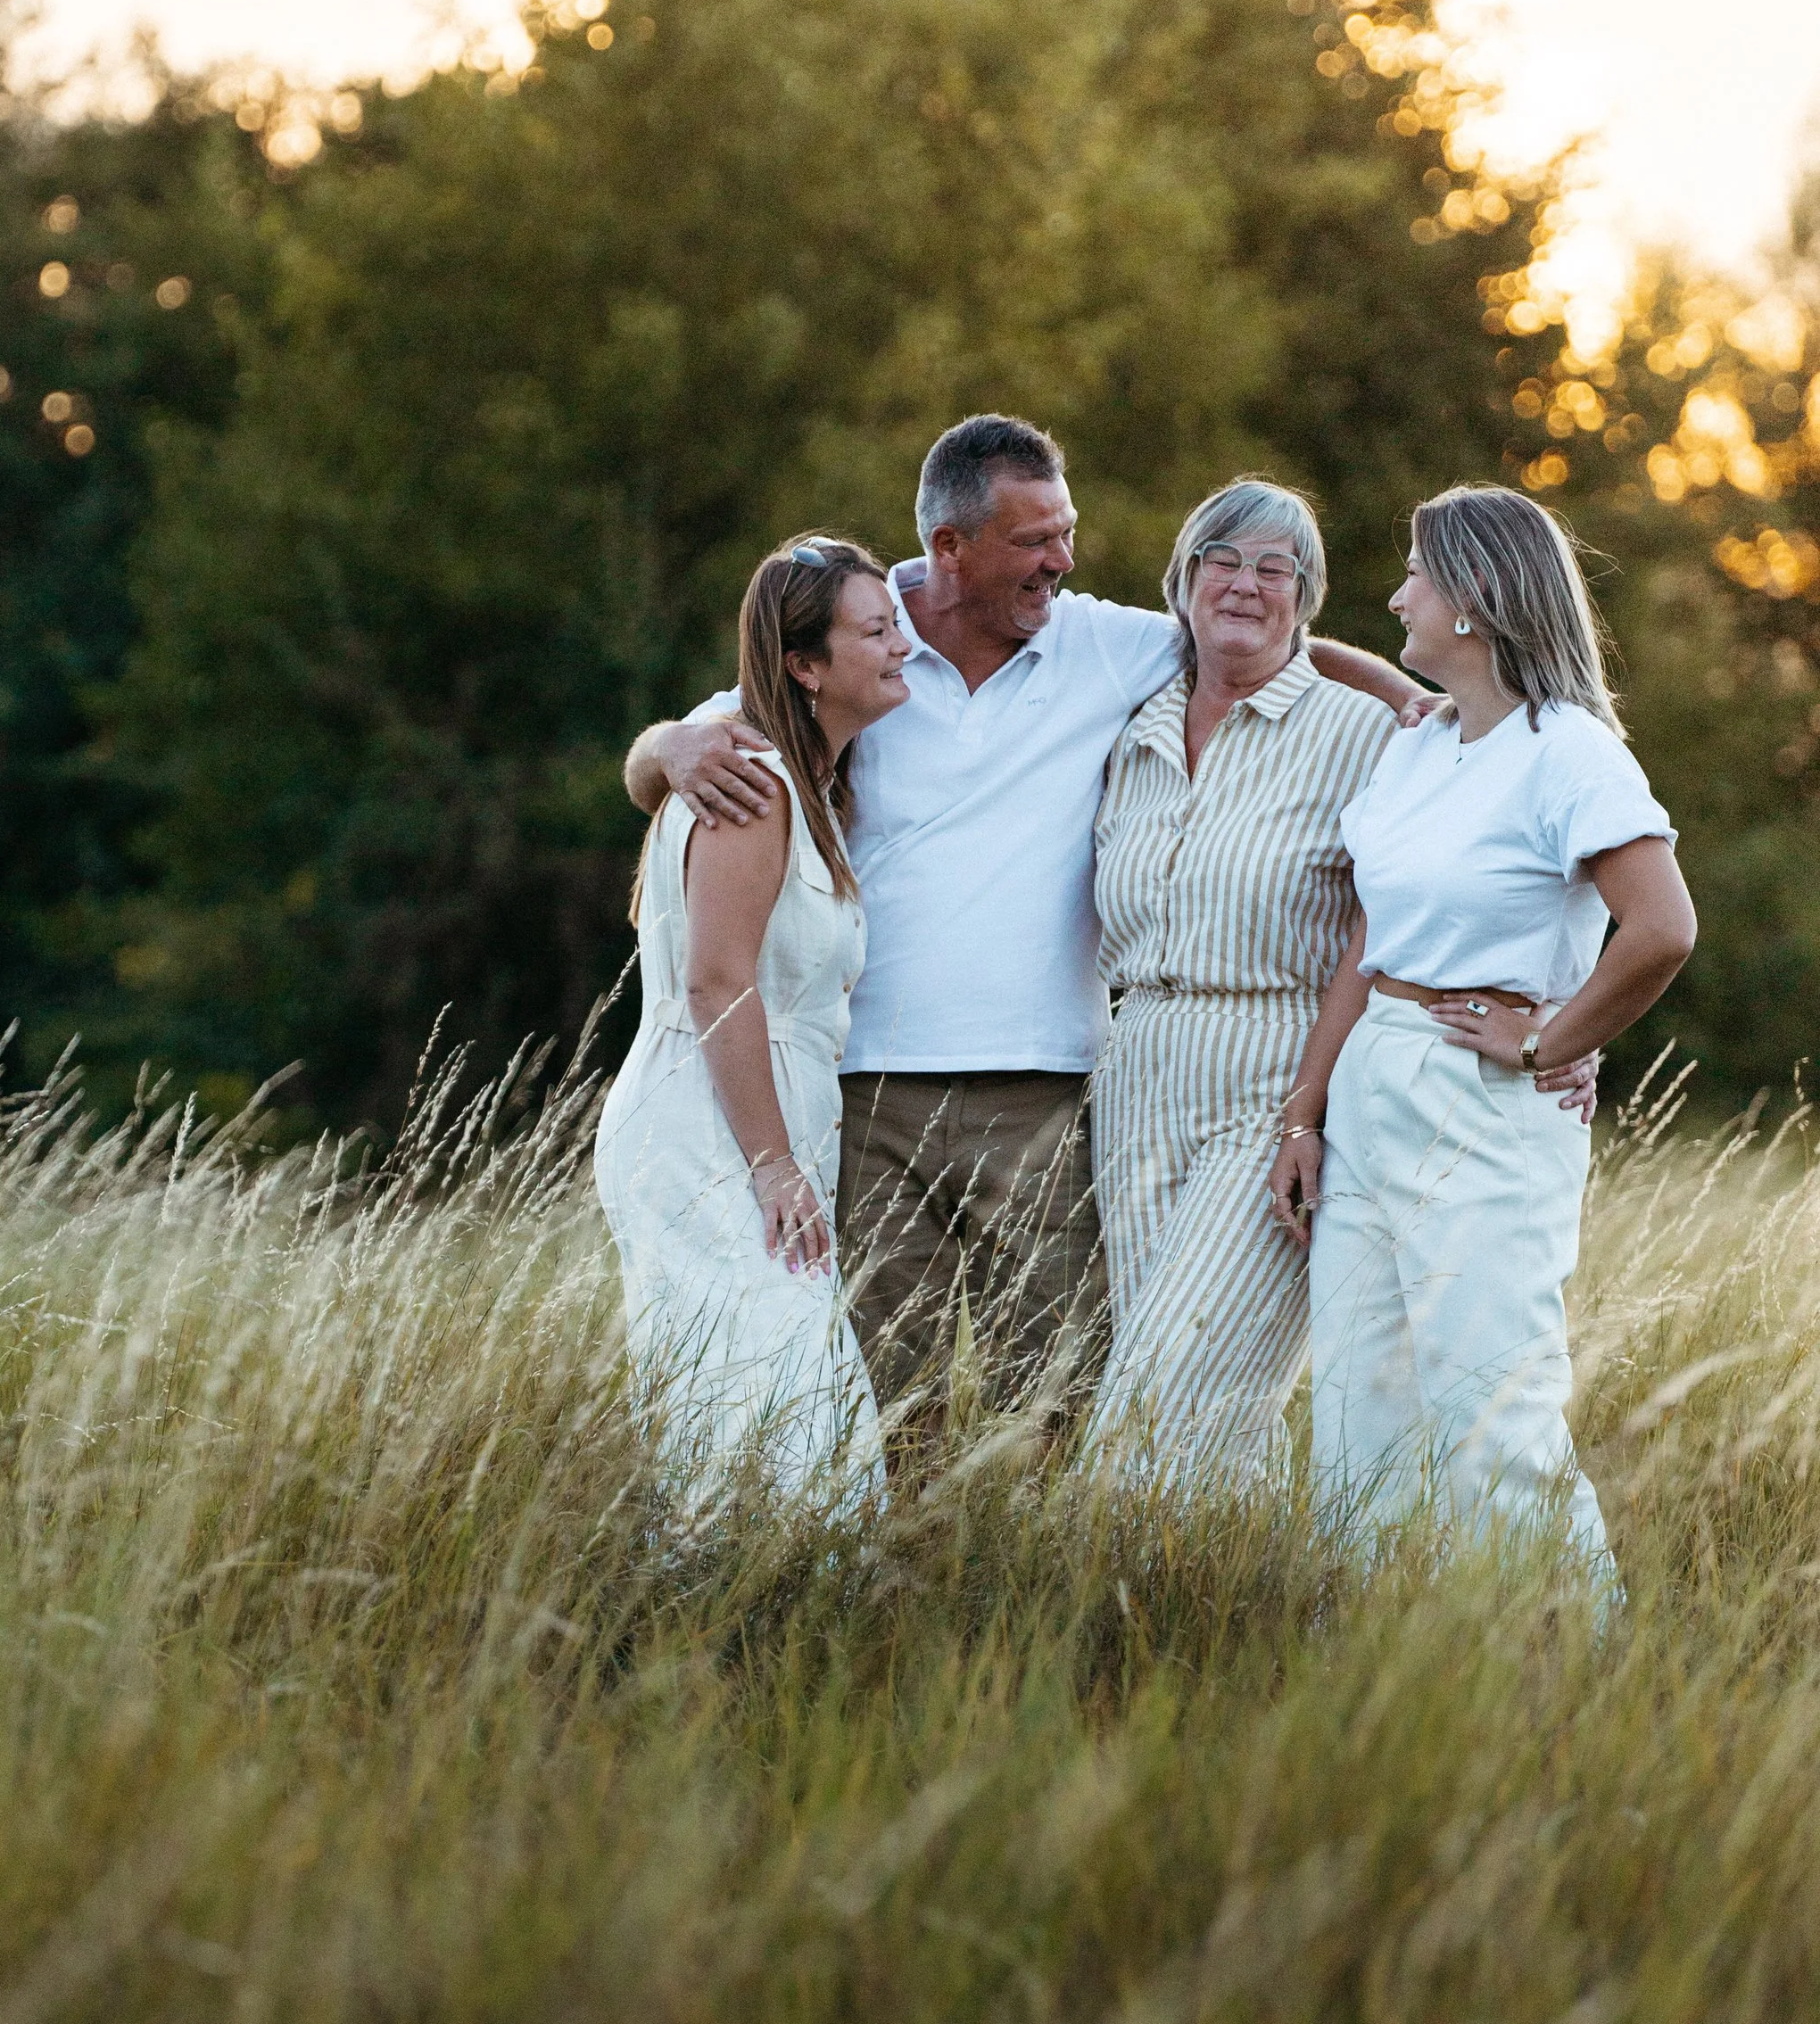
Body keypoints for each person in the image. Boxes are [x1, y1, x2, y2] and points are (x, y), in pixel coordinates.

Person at [625, 417, 1419, 1453]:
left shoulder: (1101, 641)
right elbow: (695, 754)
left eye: (1066, 532)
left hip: (1046, 1089)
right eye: (1035, 539)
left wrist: (1414, 702)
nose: (1063, 560)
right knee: (890, 1394)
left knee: (1056, 1390)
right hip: (866, 1095)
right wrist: (669, 745)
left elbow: (1266, 634)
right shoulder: (863, 646)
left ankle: (1053, 1585)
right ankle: (914, 1591)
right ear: (949, 548)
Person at [1090, 479, 1598, 1478]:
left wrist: (1567, 1022)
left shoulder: (1377, 735)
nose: (1243, 584)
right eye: (1220, 561)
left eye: (1273, 569)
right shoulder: (1127, 727)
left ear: (1306, 596)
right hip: (1137, 1072)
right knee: (1206, 1410)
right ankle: (1230, 1618)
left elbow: (1469, 885)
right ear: (1181, 579)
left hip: (1279, 1069)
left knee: (1156, 1403)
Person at [1270, 484, 1697, 1570]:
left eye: (1415, 571)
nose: (1394, 593)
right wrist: (1306, 1109)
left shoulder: (1571, 754)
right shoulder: (1421, 746)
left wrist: (1553, 1040)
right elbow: (1366, 941)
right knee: (1361, 1411)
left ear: (1471, 599)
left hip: (1485, 1096)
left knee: (1488, 1407)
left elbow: (1659, 929)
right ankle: (1380, 1671)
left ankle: (1573, 1672)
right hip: (1374, 1076)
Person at [595, 534, 911, 1490]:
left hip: (760, 1130)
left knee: (766, 1406)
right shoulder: (754, 784)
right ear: (802, 664)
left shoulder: (806, 786)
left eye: (896, 624)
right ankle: (722, 1611)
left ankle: (754, 1617)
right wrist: (772, 1167)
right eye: (875, 630)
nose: (901, 646)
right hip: (707, 1135)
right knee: (772, 1409)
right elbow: (715, 982)